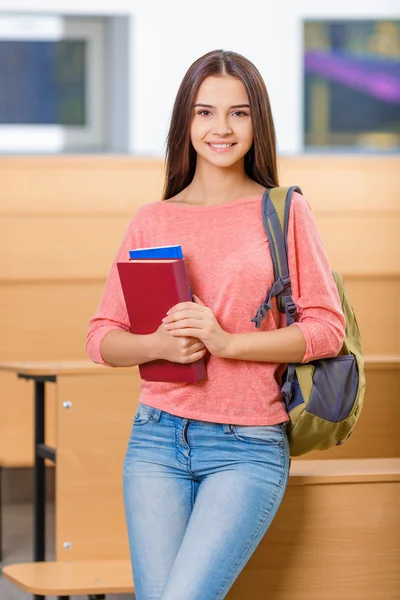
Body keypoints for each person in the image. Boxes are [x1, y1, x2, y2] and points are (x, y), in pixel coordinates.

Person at [85, 49, 345, 600]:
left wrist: (226, 341)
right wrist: (158, 345)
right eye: (205, 112)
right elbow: (100, 338)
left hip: (247, 445)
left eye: (239, 113)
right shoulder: (152, 219)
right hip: (155, 439)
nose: (221, 128)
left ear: (258, 123)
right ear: (186, 121)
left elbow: (326, 329)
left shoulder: (284, 212)